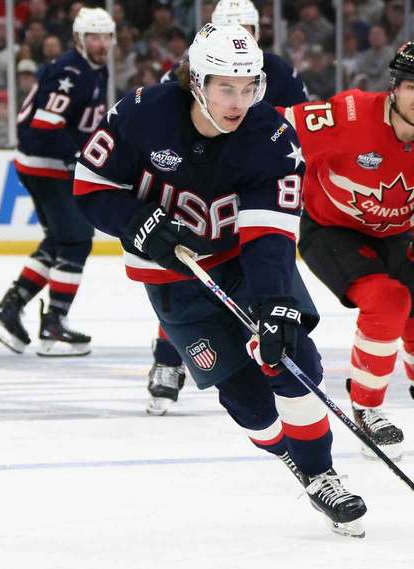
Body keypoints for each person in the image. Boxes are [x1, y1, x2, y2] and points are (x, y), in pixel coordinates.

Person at [73, 23, 367, 537]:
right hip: (172, 276)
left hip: (241, 261)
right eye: (225, 87)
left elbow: (270, 234)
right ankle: (288, 455)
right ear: (197, 81)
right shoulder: (141, 114)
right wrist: (136, 222)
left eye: (248, 86)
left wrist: (274, 302)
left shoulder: (270, 136)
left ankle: (321, 473)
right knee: (244, 398)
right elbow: (92, 185)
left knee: (291, 358)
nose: (238, 100)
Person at [285, 42, 414, 460]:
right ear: (394, 88)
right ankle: (367, 409)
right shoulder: (349, 114)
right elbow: (275, 128)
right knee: (386, 300)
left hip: (393, 233)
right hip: (330, 229)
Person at [151, 0, 308, 416]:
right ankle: (168, 361)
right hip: (200, 194)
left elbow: (299, 128)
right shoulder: (187, 75)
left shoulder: (277, 72)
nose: (241, 35)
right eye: (231, 27)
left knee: (262, 275)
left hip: (256, 188)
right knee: (189, 275)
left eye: (248, 27)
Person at [0, 8, 114, 356]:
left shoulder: (92, 70)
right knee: (77, 239)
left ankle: (9, 309)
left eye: (106, 37)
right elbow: (44, 127)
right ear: (79, 40)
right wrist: (79, 160)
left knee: (60, 239)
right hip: (45, 165)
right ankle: (54, 325)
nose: (101, 44)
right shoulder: (73, 73)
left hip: (41, 163)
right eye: (94, 37)